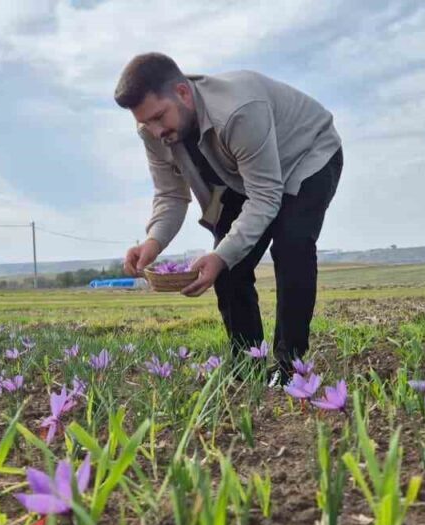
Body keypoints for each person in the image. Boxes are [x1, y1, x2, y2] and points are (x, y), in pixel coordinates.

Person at [114, 52, 343, 385]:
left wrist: (221, 255)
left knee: (291, 244)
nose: (156, 130)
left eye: (160, 117)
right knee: (228, 261)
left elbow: (266, 196)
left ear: (182, 92)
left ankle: (289, 366)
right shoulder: (153, 132)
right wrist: (153, 241)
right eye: (146, 122)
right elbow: (171, 195)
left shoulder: (239, 110)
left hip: (307, 155)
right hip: (241, 174)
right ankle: (247, 364)